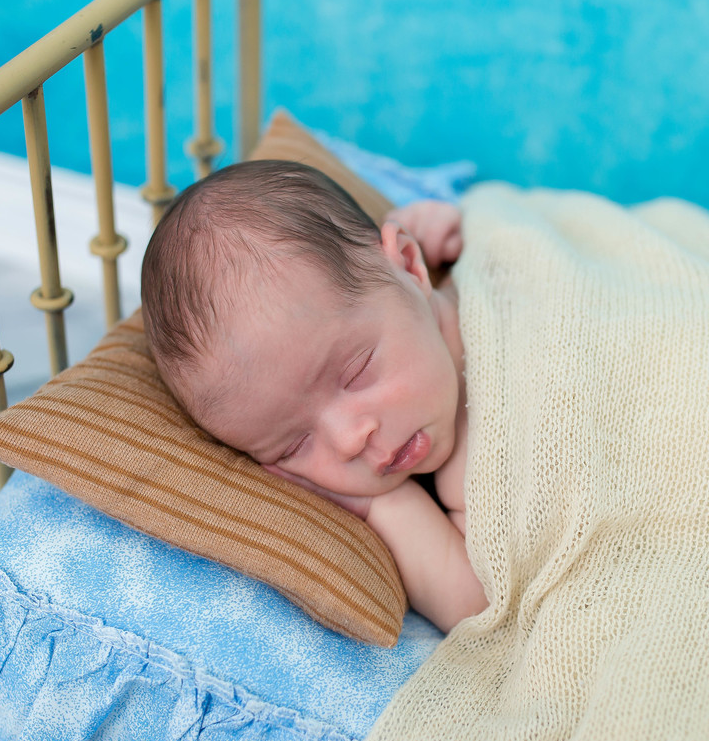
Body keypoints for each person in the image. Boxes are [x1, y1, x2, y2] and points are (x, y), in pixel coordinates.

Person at [141, 159, 488, 633]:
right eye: (295, 446)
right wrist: (389, 506)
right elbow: (484, 602)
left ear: (410, 264)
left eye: (356, 371)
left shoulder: (485, 265)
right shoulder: (474, 483)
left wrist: (443, 224)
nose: (349, 440)